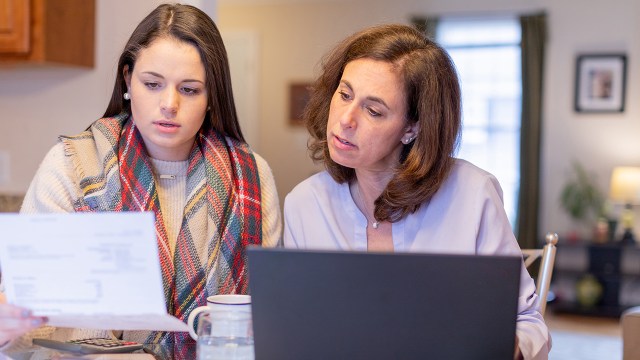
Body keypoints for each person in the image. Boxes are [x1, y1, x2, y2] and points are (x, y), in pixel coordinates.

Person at [0, 3, 281, 358]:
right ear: (127, 79)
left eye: (190, 89)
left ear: (212, 97)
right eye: (152, 84)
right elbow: (22, 332)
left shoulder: (251, 177)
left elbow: (269, 317)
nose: (169, 103)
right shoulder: (71, 166)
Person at [283, 24, 550, 359]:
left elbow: (527, 322)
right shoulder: (305, 204)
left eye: (374, 110)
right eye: (345, 94)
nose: (346, 119)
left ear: (412, 128)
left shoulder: (473, 194)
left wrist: (494, 344)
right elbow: (298, 328)